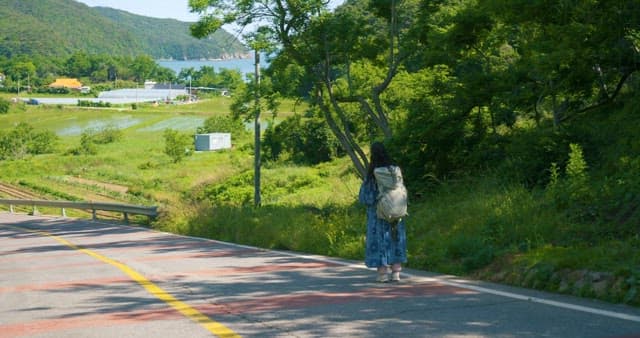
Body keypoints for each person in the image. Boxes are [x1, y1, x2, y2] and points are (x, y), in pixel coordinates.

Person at [359, 142, 408, 282]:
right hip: (397, 211)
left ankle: (382, 274)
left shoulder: (373, 174)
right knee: (395, 239)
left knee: (380, 240)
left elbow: (366, 198)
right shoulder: (395, 171)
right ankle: (396, 272)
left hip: (378, 214)